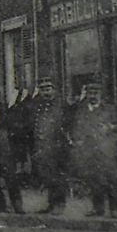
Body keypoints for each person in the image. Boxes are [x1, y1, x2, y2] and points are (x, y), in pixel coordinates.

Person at [71, 81, 117, 218]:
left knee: (111, 180)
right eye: (90, 93)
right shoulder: (81, 110)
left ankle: (115, 209)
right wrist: (78, 141)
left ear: (101, 94)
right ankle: (97, 208)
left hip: (106, 150)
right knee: (94, 181)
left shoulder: (110, 109)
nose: (93, 96)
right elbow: (76, 128)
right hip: (89, 151)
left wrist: (111, 127)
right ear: (86, 94)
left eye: (96, 93)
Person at [31, 78, 70, 214]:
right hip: (42, 146)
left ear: (54, 90)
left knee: (58, 176)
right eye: (42, 89)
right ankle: (51, 204)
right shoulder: (38, 106)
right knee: (47, 176)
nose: (45, 92)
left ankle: (60, 204)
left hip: (57, 146)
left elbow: (67, 125)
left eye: (48, 89)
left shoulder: (62, 105)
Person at [0, 89, 25, 213]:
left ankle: (17, 205)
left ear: (0, 101)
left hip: (6, 152)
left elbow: (16, 131)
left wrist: (1, 133)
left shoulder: (7, 114)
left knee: (11, 179)